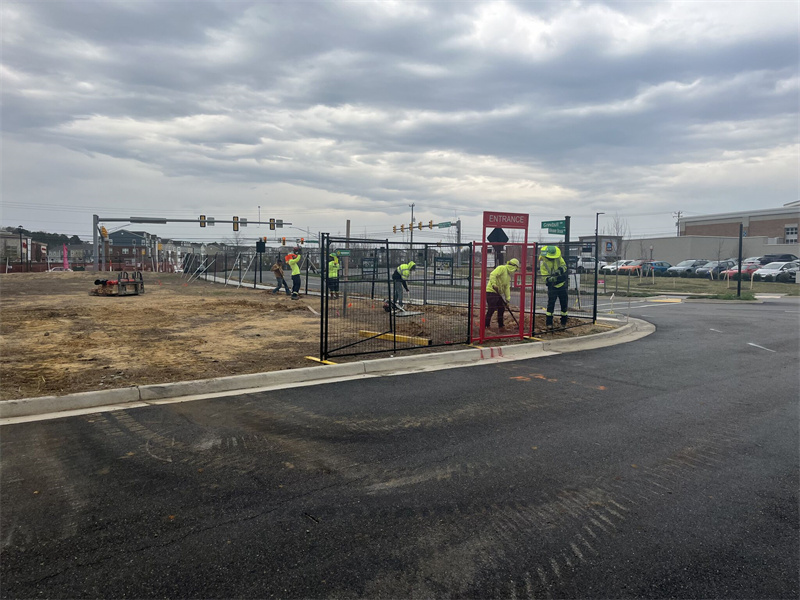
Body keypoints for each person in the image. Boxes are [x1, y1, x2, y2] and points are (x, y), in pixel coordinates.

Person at [485, 258, 520, 330]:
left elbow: (507, 288)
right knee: (492, 308)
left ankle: (501, 325)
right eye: (515, 269)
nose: (515, 271)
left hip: (498, 293)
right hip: (491, 291)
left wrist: (507, 300)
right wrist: (494, 284)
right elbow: (492, 275)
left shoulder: (508, 276)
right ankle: (486, 325)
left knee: (501, 308)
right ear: (514, 267)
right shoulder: (502, 268)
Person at [539, 245, 569, 329]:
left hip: (562, 284)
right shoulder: (543, 263)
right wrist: (551, 279)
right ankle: (549, 323)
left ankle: (563, 323)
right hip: (552, 286)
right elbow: (545, 277)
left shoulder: (558, 258)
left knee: (564, 304)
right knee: (551, 304)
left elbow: (564, 266)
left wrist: (559, 271)